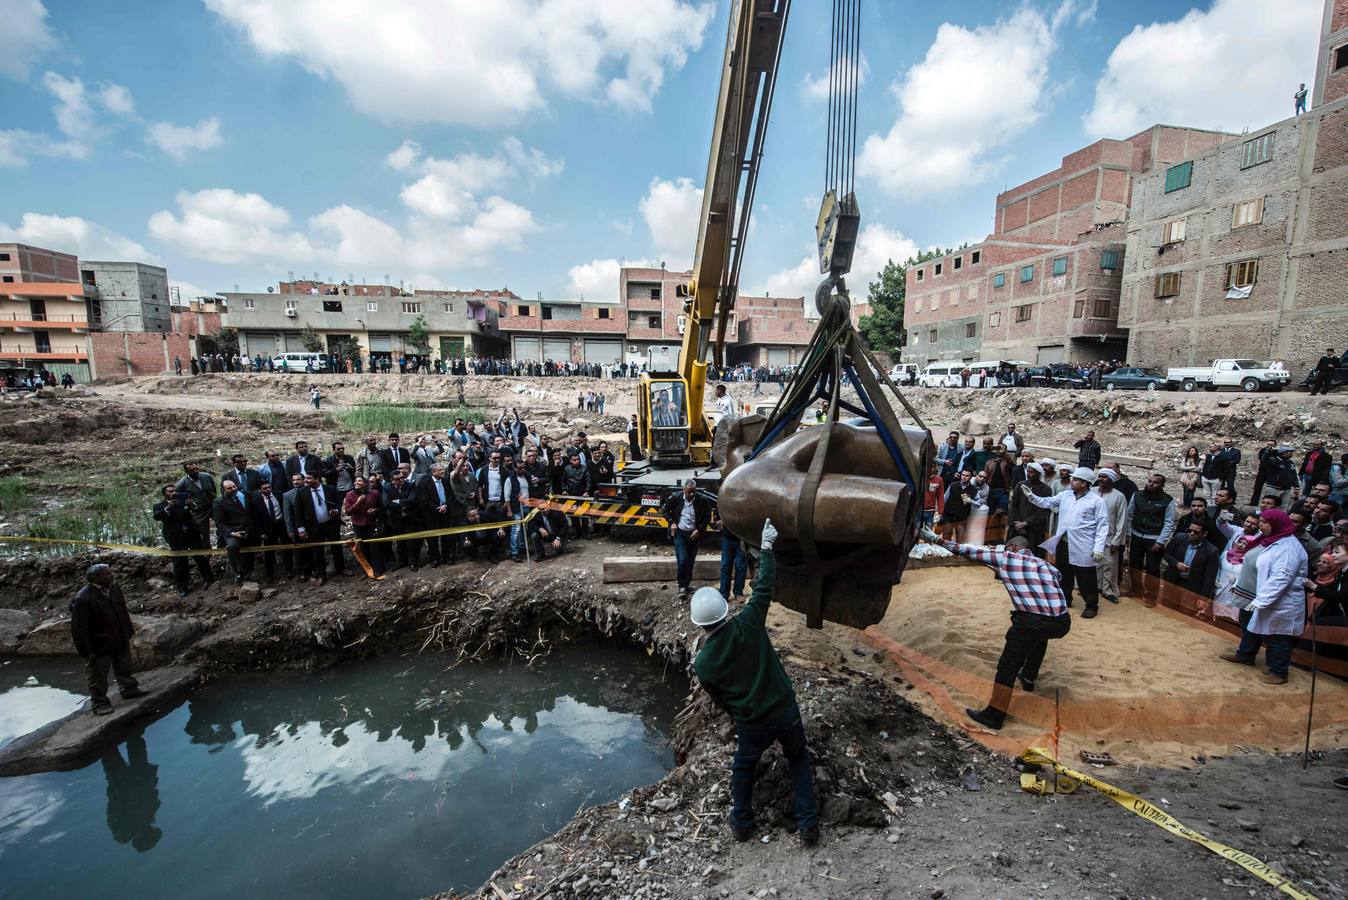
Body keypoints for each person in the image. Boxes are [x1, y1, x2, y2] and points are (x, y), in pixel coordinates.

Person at [690, 519, 819, 846]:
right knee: (798, 758)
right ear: (724, 611)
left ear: (699, 625)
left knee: (744, 768)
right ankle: (808, 826)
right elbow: (763, 587)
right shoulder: (748, 622)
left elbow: (719, 699)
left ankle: (742, 824)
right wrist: (767, 547)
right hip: (784, 707)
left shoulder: (703, 663)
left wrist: (740, 714)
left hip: (753, 721)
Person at [922, 528, 1070, 730]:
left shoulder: (1007, 557)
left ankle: (994, 715)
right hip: (1062, 622)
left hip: (1031, 621)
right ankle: (1028, 676)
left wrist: (934, 538)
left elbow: (966, 550)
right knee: (1039, 636)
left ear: (1013, 548)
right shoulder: (1046, 565)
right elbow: (1057, 578)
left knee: (1007, 666)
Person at [1220, 509, 1308, 684]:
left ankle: (1278, 672)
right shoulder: (1268, 540)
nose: (1260, 525)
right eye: (1260, 521)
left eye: (1265, 522)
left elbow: (1281, 577)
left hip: (1278, 600)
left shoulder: (1288, 548)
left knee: (1277, 636)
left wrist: (1262, 600)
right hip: (1254, 591)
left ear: (1276, 524)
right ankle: (1246, 654)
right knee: (1249, 625)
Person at [1019, 467, 1109, 618]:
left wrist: (1099, 548)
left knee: (1086, 576)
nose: (1071, 481)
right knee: (1064, 573)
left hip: (1084, 545)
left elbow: (1103, 525)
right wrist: (1032, 497)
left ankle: (1091, 605)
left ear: (1084, 483)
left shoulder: (1096, 501)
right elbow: (1048, 502)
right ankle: (1065, 598)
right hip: (1064, 540)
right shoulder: (1066, 495)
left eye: (1075, 480)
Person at [70, 564, 145, 716]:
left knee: (124, 666)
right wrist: (86, 651)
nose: (112, 575)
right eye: (107, 574)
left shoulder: (114, 589)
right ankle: (99, 703)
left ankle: (129, 689)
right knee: (97, 676)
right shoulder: (83, 599)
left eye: (110, 572)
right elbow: (79, 628)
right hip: (99, 643)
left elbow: (122, 610)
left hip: (119, 635)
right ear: (96, 578)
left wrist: (128, 631)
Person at [152, 485, 215, 596]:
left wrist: (191, 504)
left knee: (200, 557)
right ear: (164, 494)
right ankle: (182, 586)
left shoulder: (184, 501)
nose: (174, 493)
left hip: (191, 534)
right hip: (175, 537)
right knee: (180, 562)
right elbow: (157, 516)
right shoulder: (159, 506)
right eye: (171, 491)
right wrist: (168, 507)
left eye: (175, 490)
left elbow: (197, 509)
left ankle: (209, 579)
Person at [662, 481, 711, 599]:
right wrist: (672, 523)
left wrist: (699, 529)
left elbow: (707, 516)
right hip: (680, 533)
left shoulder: (701, 500)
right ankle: (682, 586)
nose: (691, 494)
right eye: (689, 492)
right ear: (683, 490)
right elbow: (664, 510)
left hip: (694, 534)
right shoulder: (675, 497)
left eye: (694, 491)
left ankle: (687, 584)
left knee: (690, 561)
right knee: (683, 560)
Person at [1127, 473, 1178, 583]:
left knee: (1153, 569)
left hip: (1154, 539)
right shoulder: (1137, 495)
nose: (1151, 484)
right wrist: (1128, 533)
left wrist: (1161, 540)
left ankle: (1151, 592)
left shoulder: (1168, 501)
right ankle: (1136, 589)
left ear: (1162, 485)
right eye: (1150, 481)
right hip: (1136, 535)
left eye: (1155, 483)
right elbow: (1129, 515)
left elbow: (1169, 522)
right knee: (1134, 565)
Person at [1213, 513, 1263, 621]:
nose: (1248, 525)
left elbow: (1251, 576)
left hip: (1238, 592)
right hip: (1221, 589)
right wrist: (1215, 578)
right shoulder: (1226, 554)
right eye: (1247, 521)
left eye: (1253, 523)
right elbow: (1219, 568)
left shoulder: (1251, 559)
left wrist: (1236, 583)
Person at [1093, 469, 1129, 604]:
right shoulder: (1091, 492)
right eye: (1100, 476)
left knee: (1109, 564)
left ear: (1112, 480)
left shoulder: (1119, 496)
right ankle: (1095, 587)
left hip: (1110, 536)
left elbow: (1122, 520)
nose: (1101, 479)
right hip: (1091, 535)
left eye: (1105, 477)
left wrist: (1117, 540)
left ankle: (1107, 590)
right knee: (1094, 562)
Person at [212, 479, 256, 584]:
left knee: (251, 550)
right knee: (232, 546)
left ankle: (248, 572)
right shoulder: (219, 502)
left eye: (234, 486)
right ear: (223, 490)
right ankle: (238, 572)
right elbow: (220, 523)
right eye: (229, 488)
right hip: (233, 531)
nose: (233, 489)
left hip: (249, 528)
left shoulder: (244, 494)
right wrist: (232, 533)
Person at [1163, 519, 1220, 599]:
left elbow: (1210, 577)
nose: (1191, 533)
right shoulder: (1179, 538)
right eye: (1189, 530)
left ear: (1204, 534)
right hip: (1173, 581)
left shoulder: (1211, 551)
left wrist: (1203, 597)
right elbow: (1166, 554)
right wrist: (1177, 563)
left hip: (1193, 588)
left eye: (1196, 532)